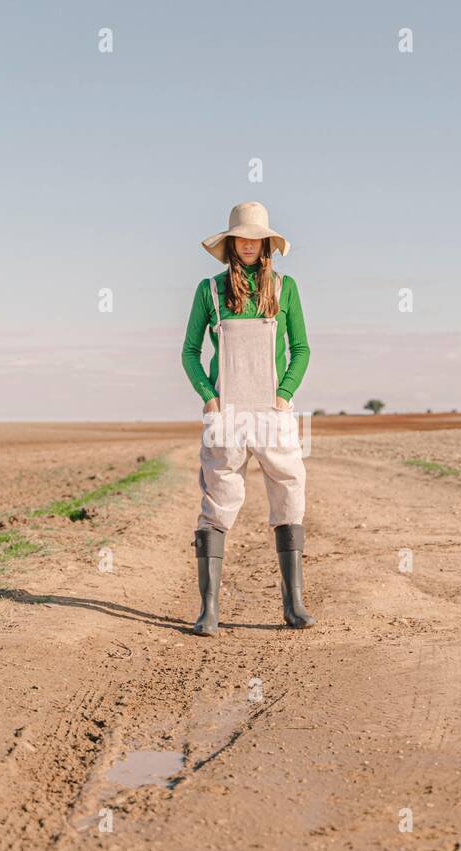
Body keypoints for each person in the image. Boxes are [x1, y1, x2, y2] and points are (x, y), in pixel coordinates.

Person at [180, 201, 315, 636]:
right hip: (228, 414)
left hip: (274, 414)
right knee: (218, 505)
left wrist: (284, 394)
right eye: (242, 237)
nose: (250, 244)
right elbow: (188, 352)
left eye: (257, 238)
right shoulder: (209, 291)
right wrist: (209, 397)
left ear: (267, 243)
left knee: (289, 497)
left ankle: (293, 607)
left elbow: (301, 349)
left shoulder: (285, 287)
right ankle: (209, 610)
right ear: (231, 243)